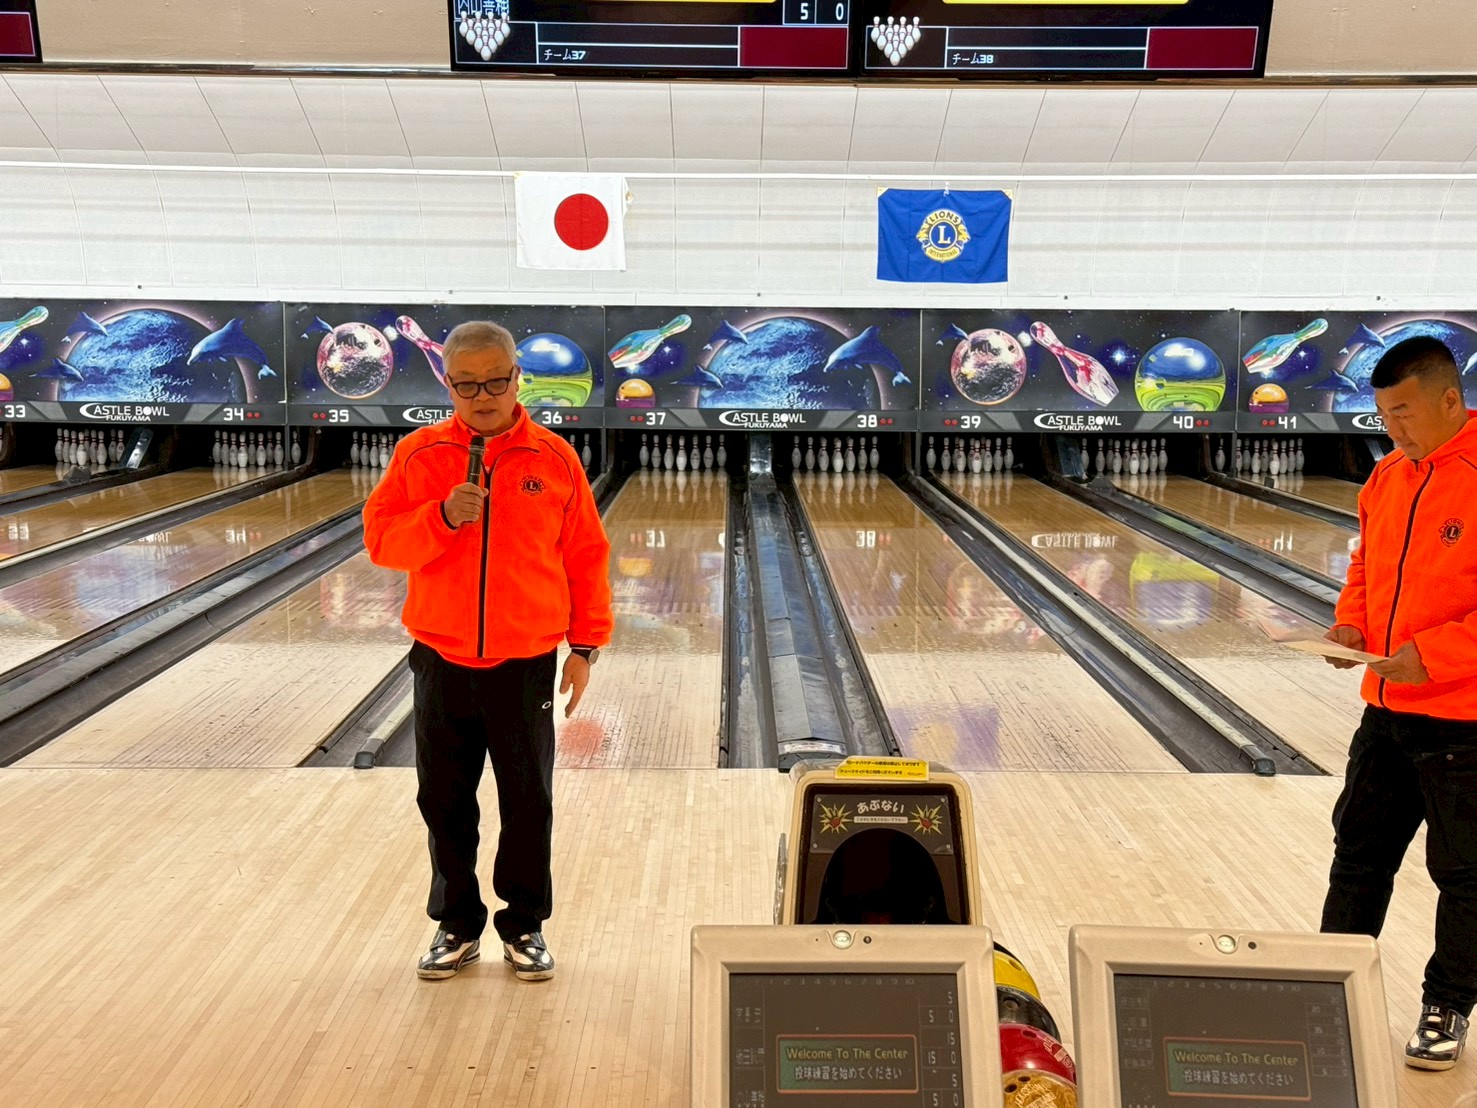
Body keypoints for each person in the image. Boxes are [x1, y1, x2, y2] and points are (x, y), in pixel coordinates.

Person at [363, 320, 611, 983]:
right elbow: (381, 542)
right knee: (444, 803)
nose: (482, 396)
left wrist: (586, 645)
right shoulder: (419, 455)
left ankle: (524, 925)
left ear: (516, 378)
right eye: (467, 384)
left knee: (528, 804)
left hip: (523, 663)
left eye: (495, 381)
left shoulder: (553, 458)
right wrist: (441, 516)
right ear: (447, 383)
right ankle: (456, 924)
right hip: (440, 660)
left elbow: (586, 555)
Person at [1321, 335, 1477, 1070]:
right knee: (1356, 857)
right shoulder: (1386, 476)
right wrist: (1350, 623)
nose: (1393, 430)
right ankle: (1328, 985)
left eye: (1405, 414)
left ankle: (1446, 1007)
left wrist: (1432, 656)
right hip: (1384, 713)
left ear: (1450, 399)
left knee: (1465, 877)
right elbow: (1364, 568)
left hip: (1463, 724)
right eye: (1384, 416)